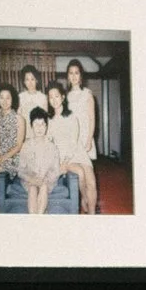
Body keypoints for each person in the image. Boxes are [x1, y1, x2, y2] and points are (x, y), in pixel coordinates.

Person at [61, 57, 99, 212]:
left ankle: (92, 214)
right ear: (67, 76)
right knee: (79, 176)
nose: (74, 76)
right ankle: (84, 198)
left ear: (81, 76)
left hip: (85, 139)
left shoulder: (87, 94)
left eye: (76, 73)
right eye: (71, 73)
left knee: (91, 180)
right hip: (71, 141)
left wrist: (89, 139)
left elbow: (92, 119)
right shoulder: (64, 97)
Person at [0, 83, 26, 212]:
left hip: (15, 158)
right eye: (1, 97)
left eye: (8, 97)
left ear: (12, 99)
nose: (4, 101)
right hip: (1, 158)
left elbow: (19, 146)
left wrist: (1, 159)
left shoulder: (19, 119)